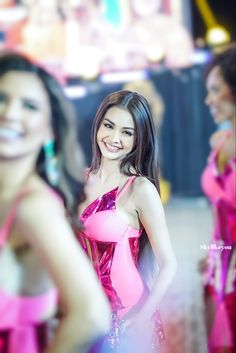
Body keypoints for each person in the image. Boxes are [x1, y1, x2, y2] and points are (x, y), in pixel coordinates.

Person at [0, 51, 110, 353]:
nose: (9, 113)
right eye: (2, 98)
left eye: (29, 106)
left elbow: (91, 315)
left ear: (49, 130)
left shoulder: (34, 206)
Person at [76, 90, 177, 353]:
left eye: (127, 132)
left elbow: (169, 264)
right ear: (98, 125)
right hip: (83, 312)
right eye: (109, 126)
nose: (114, 139)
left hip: (125, 318)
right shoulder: (81, 179)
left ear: (139, 138)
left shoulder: (139, 189)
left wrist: (143, 316)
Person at [200, 46, 236, 353]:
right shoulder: (220, 141)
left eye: (215, 90)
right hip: (218, 270)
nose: (208, 100)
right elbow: (218, 213)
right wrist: (213, 253)